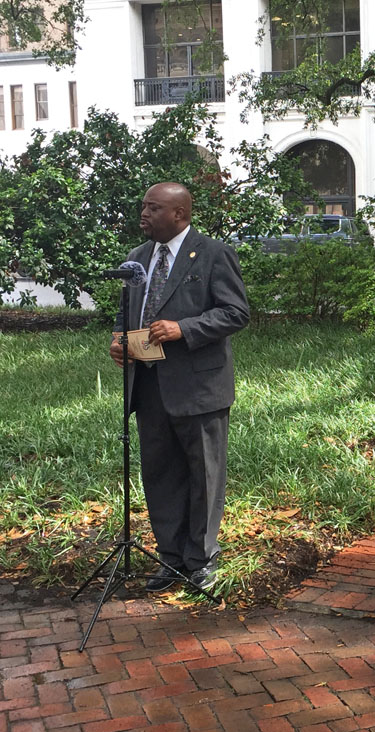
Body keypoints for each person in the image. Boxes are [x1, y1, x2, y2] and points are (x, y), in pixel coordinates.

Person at [109, 182, 250, 592]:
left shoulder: (213, 253)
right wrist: (119, 341)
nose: (144, 214)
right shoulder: (137, 258)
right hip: (148, 386)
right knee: (161, 475)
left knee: (203, 476)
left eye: (153, 208)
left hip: (199, 387)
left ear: (180, 214)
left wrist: (183, 329)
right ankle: (169, 558)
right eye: (143, 206)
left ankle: (201, 560)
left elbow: (236, 312)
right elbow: (127, 312)